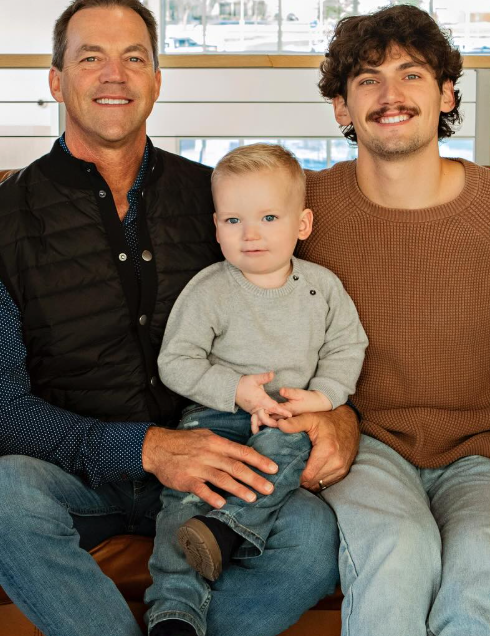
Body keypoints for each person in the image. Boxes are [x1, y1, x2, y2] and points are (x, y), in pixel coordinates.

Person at [0, 0, 348, 636]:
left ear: (157, 80)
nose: (114, 76)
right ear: (56, 80)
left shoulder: (216, 201)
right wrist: (145, 447)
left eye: (133, 58)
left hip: (218, 463)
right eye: (91, 59)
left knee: (311, 535)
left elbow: (306, 313)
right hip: (77, 474)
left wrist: (337, 410)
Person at [295, 4, 490, 636]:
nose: (391, 95)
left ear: (446, 94)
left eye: (411, 75)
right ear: (341, 106)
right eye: (367, 79)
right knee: (398, 552)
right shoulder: (306, 210)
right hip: (365, 446)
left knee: (484, 565)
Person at [145, 143, 367, 636]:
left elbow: (348, 347)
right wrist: (235, 390)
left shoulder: (322, 287)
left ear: (302, 225)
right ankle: (174, 613)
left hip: (289, 420)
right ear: (216, 227)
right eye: (232, 221)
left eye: (269, 217)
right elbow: (176, 362)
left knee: (283, 452)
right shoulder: (210, 288)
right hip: (216, 419)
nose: (250, 235)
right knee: (181, 505)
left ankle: (226, 530)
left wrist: (325, 396)